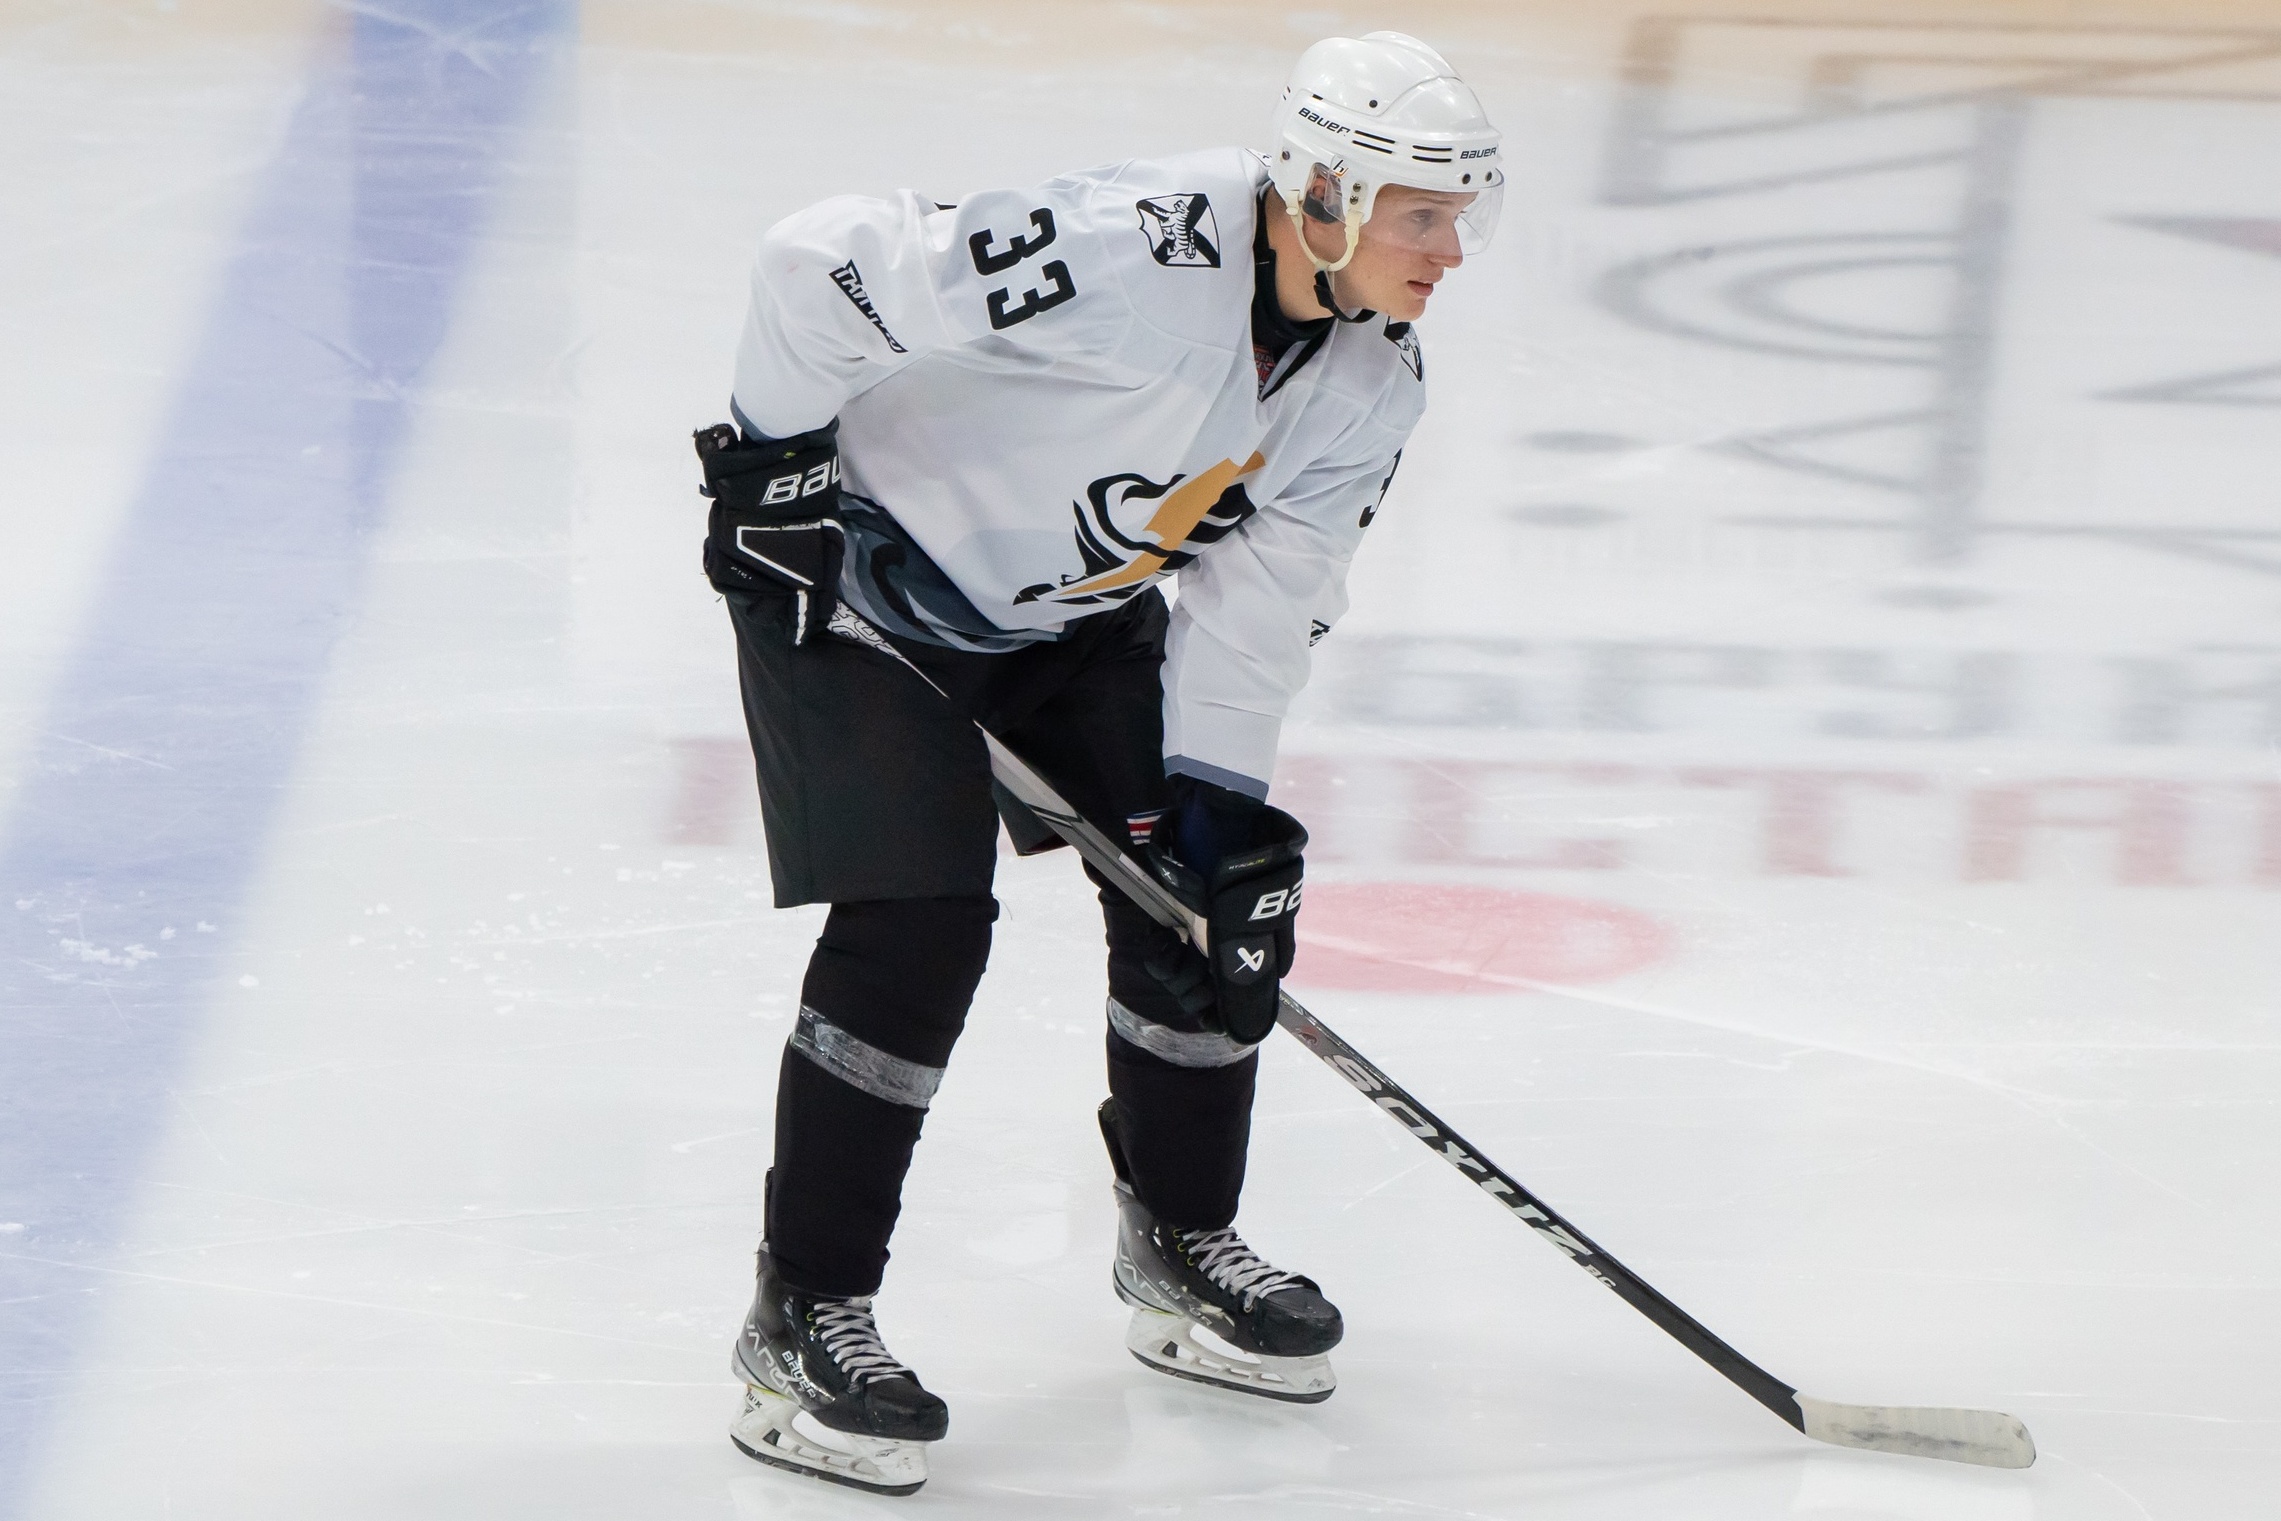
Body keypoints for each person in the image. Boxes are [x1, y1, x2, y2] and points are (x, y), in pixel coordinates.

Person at [694, 30, 1502, 1495]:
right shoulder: (1135, 248)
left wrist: (1213, 807)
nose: (1450, 252)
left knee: (1205, 904)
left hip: (1068, 621)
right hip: (859, 588)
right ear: (1323, 191)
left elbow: (1258, 608)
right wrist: (771, 472)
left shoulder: (1368, 384)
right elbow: (823, 264)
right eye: (1423, 214)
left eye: (1462, 216)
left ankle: (1181, 1242)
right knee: (919, 925)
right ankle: (802, 1313)